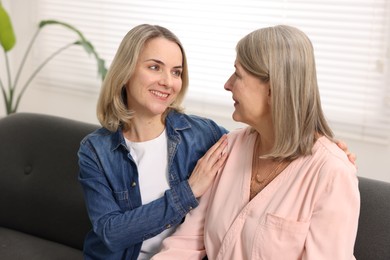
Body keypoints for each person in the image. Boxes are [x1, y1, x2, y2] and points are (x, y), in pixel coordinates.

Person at [152, 25, 360, 259]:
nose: (227, 84)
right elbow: (186, 243)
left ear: (272, 89)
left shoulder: (331, 173)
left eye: (238, 74)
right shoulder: (228, 148)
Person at [77, 24, 229, 260]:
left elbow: (255, 148)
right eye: (155, 67)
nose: (168, 82)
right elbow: (111, 233)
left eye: (176, 72)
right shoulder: (95, 150)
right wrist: (188, 192)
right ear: (125, 72)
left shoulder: (202, 134)